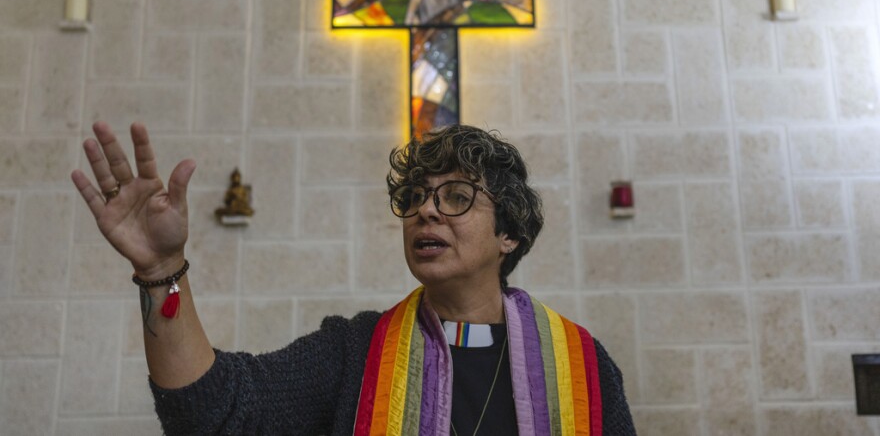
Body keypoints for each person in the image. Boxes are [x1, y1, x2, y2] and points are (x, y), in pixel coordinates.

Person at [71, 121, 636, 435]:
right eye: (415, 198)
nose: (426, 212)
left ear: (508, 233)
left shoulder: (583, 365)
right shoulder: (355, 353)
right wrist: (160, 268)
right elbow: (211, 413)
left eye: (457, 197)